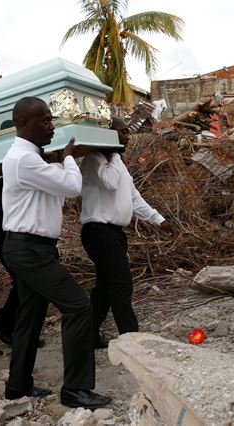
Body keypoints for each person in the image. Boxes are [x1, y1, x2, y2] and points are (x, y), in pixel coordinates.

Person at [2, 96, 110, 409]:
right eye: (44, 120)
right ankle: (75, 390)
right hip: (28, 249)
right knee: (78, 308)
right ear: (23, 124)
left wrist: (57, 161)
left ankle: (17, 386)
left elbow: (54, 191)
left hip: (31, 248)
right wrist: (68, 158)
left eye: (51, 120)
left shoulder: (31, 159)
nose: (51, 126)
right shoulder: (24, 160)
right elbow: (72, 187)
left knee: (30, 317)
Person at [80, 117, 174, 348]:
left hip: (112, 234)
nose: (127, 136)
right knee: (122, 284)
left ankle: (87, 335)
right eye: (121, 133)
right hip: (99, 232)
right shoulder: (94, 160)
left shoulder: (116, 161)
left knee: (105, 288)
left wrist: (158, 219)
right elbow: (110, 183)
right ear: (108, 136)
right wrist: (114, 153)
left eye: (126, 132)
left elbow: (133, 197)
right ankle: (132, 341)